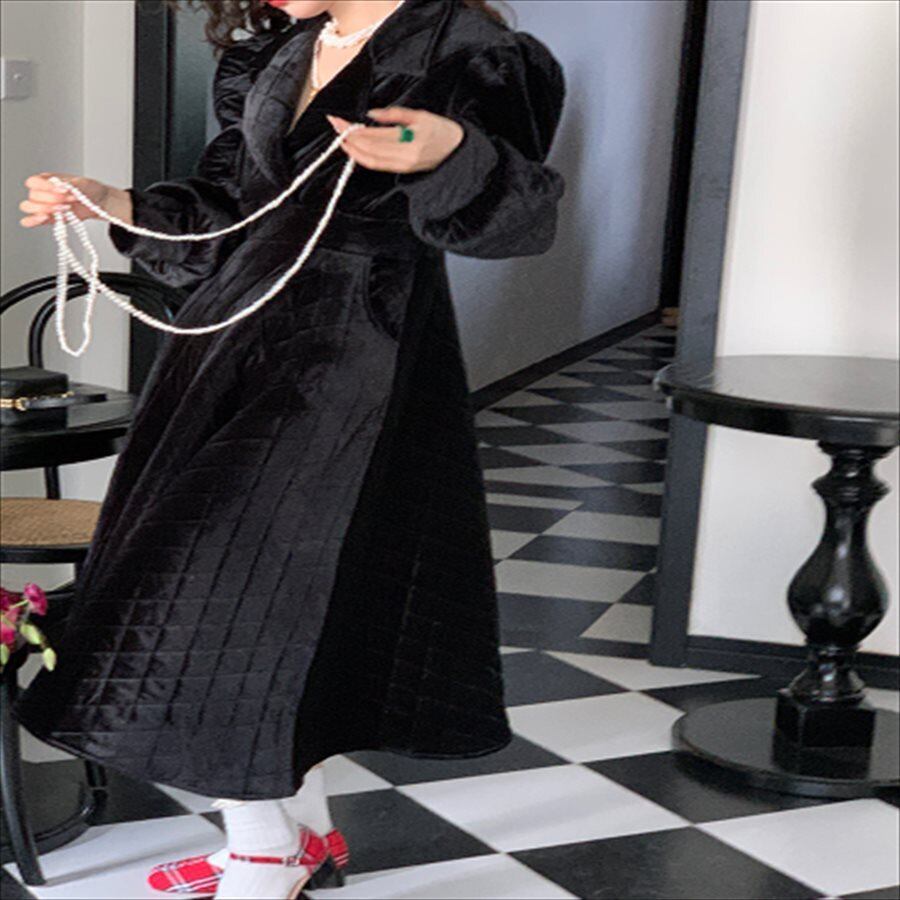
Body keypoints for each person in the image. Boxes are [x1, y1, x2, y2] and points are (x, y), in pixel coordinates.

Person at [16, 0, 566, 896]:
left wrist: (453, 154)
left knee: (221, 596)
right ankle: (300, 836)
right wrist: (111, 204)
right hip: (231, 346)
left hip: (356, 357)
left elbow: (520, 221)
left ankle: (264, 851)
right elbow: (230, 211)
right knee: (265, 600)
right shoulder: (283, 52)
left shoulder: (478, 54)